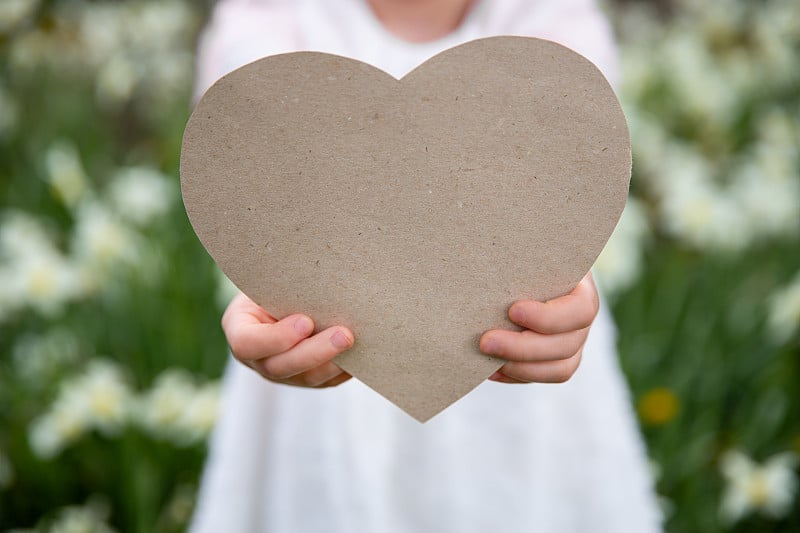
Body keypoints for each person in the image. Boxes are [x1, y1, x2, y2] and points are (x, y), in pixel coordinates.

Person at [189, 1, 663, 531]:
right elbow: (250, 176)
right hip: (318, 364)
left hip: (520, 370)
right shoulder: (272, 18)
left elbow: (570, 183)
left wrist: (572, 297)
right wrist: (264, 303)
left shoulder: (552, 20)